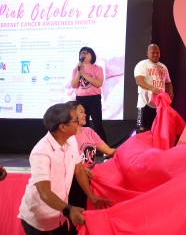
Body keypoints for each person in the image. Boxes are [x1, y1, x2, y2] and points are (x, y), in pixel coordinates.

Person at [18, 103, 111, 234]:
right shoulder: (41, 152)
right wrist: (69, 209)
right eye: (75, 120)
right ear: (62, 127)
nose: (79, 121)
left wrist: (91, 196)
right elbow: (44, 192)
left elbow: (79, 169)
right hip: (38, 219)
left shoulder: (71, 139)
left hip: (59, 215)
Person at [66, 101, 116, 234]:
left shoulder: (89, 131)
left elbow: (109, 151)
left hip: (91, 179)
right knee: (77, 216)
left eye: (84, 112)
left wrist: (131, 150)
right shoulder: (66, 136)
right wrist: (81, 169)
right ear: (71, 114)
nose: (85, 115)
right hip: (74, 181)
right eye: (81, 112)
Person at [134, 44, 174, 132]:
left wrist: (170, 91)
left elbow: (168, 82)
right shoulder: (142, 64)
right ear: (147, 53)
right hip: (145, 102)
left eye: (157, 53)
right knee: (142, 130)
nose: (155, 55)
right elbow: (139, 81)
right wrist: (152, 88)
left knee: (157, 129)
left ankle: (156, 145)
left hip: (159, 104)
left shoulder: (163, 67)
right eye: (153, 53)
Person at [71, 46, 107, 143]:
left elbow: (98, 83)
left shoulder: (97, 68)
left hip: (94, 99)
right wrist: (79, 71)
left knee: (97, 124)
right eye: (81, 53)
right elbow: (74, 85)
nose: (83, 55)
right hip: (81, 100)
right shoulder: (76, 69)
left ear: (92, 55)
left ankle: (104, 149)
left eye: (86, 53)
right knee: (83, 124)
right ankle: (86, 146)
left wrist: (84, 73)